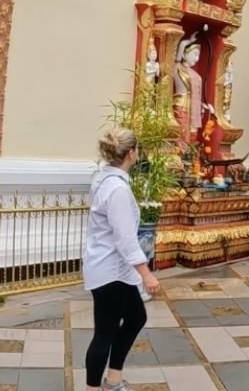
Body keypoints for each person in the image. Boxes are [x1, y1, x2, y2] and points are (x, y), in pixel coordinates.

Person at [83, 130, 161, 391]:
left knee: (136, 317)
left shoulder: (104, 179)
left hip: (111, 268)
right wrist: (146, 274)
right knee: (104, 332)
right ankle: (95, 387)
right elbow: (125, 238)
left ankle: (113, 380)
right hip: (111, 271)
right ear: (131, 153)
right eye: (137, 149)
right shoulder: (116, 189)